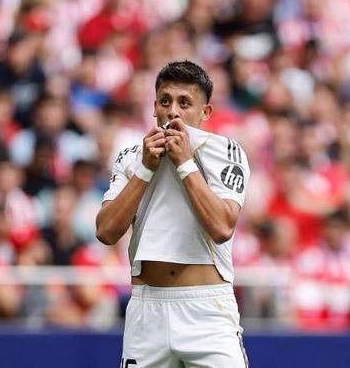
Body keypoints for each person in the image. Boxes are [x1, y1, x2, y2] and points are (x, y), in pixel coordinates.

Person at [96, 60, 250, 367]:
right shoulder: (131, 156)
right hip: (147, 311)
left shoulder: (226, 152)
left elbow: (222, 227)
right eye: (165, 101)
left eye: (184, 103)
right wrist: (145, 169)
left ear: (205, 112)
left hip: (207, 312)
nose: (173, 112)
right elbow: (106, 231)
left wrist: (184, 163)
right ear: (154, 107)